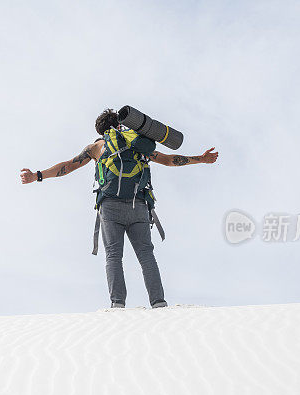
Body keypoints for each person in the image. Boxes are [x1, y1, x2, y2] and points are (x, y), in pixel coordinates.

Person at [20, 108, 218, 308]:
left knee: (114, 256)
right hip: (138, 205)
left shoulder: (96, 148)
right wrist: (200, 159)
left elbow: (68, 166)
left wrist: (37, 175)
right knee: (146, 254)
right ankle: (158, 302)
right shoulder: (137, 143)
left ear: (101, 131)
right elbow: (169, 160)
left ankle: (118, 304)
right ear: (121, 124)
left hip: (110, 207)